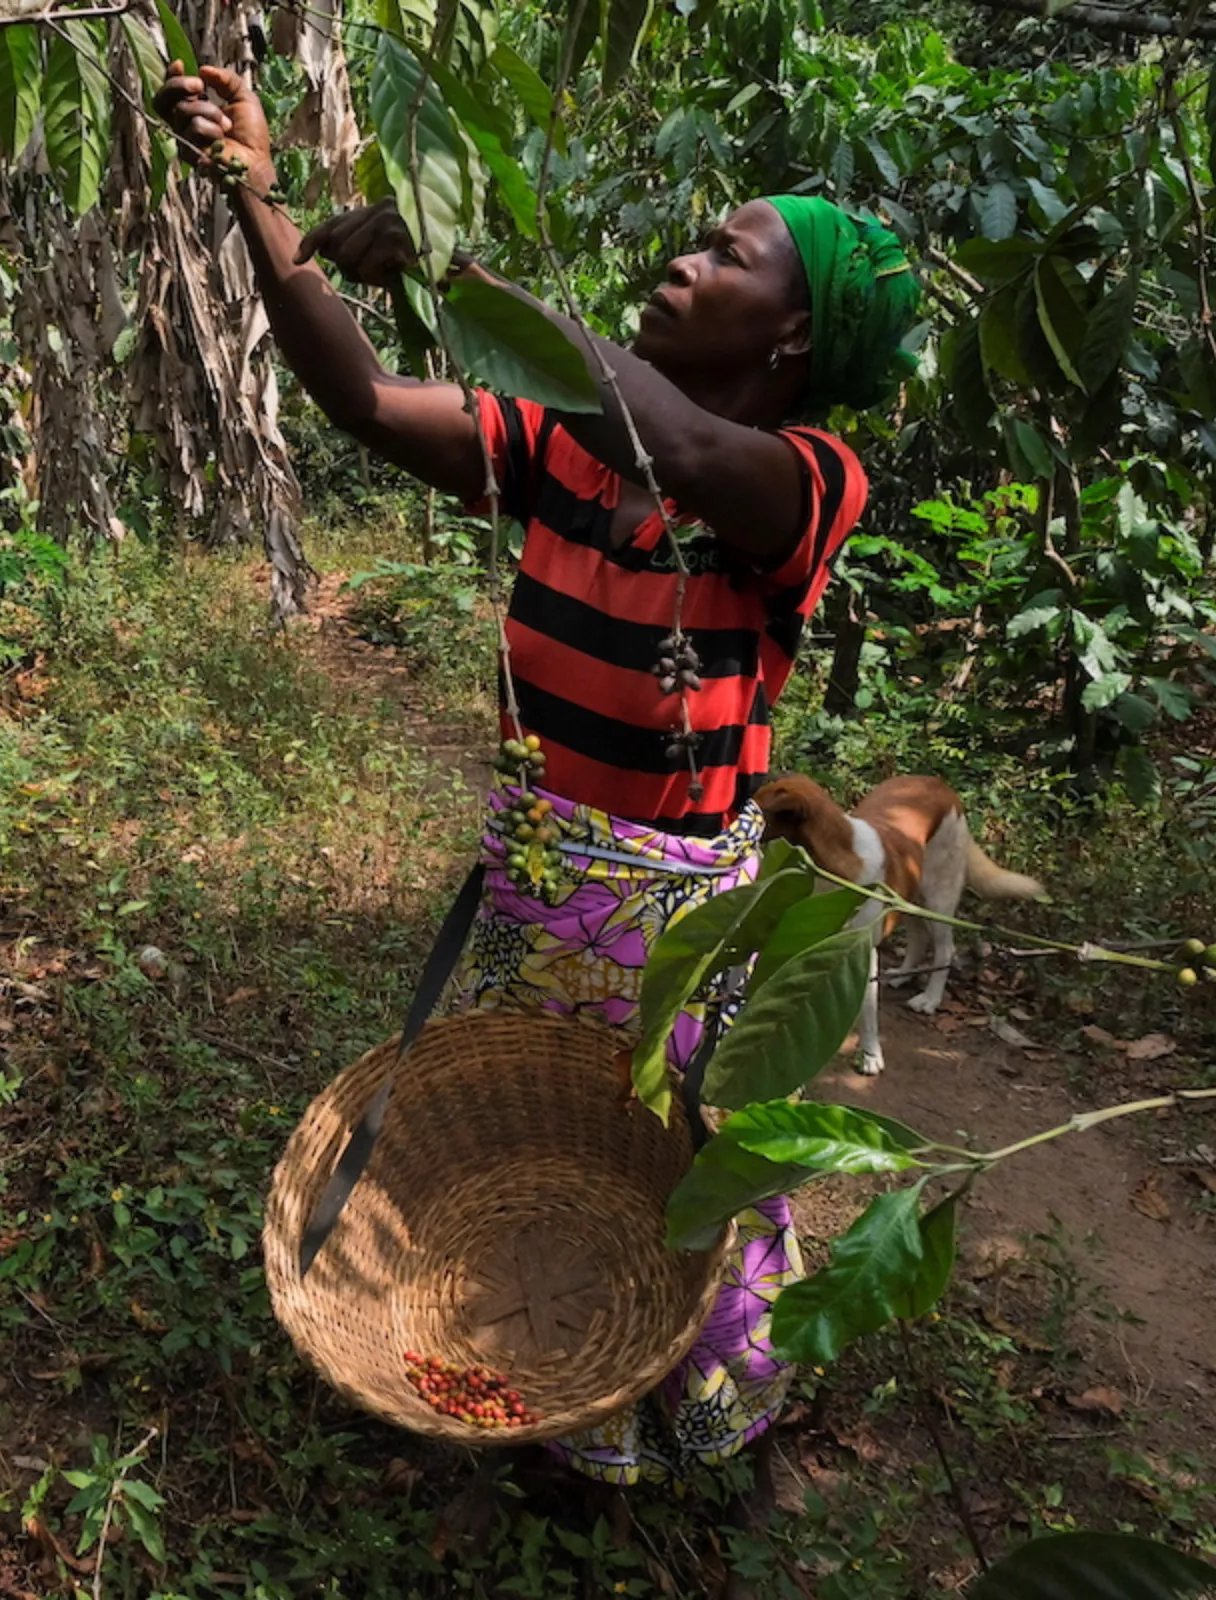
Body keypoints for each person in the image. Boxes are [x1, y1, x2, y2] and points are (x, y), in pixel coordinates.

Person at [156, 65, 921, 1496]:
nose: (681, 264)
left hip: (677, 931)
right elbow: (366, 400)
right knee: (550, 1182)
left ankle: (713, 1448)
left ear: (796, 332)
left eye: (725, 256)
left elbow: (687, 448)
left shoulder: (809, 480)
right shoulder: (570, 454)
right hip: (541, 888)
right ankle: (570, 1431)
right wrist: (259, 195)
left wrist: (458, 272)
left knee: (685, 1193)